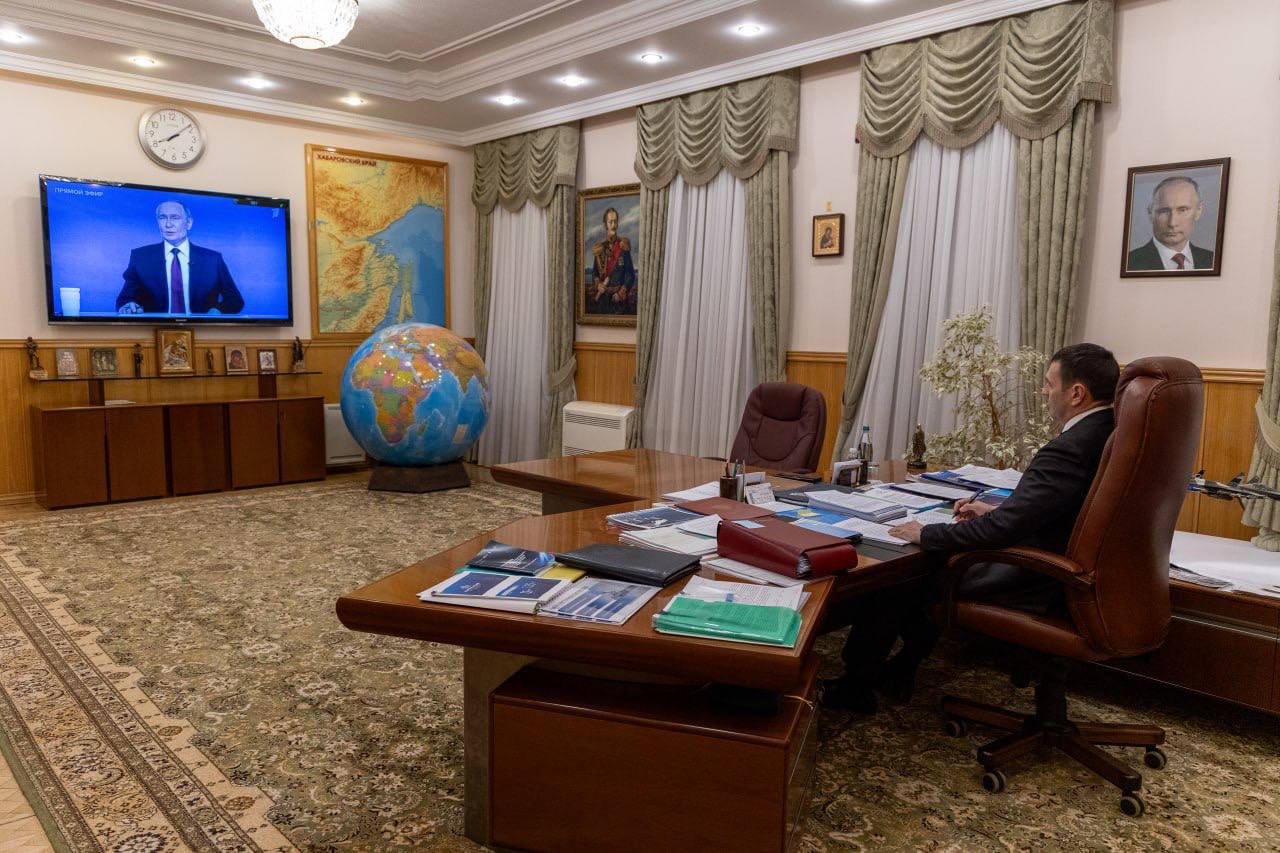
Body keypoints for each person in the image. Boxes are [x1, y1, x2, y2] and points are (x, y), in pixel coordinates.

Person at [822, 343, 1121, 713]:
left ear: (1077, 393)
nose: (1044, 392)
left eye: (1049, 383)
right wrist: (996, 509)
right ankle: (902, 667)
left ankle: (857, 685)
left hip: (1036, 578)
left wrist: (927, 533)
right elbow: (1061, 508)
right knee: (925, 571)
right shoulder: (1112, 434)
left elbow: (1002, 532)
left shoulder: (1071, 447)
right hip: (1077, 573)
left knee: (900, 576)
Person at [116, 200, 244, 315]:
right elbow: (124, 299)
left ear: (188, 223)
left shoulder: (212, 260)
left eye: (175, 218)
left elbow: (235, 300)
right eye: (162, 218)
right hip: (152, 328)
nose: (168, 224)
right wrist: (128, 306)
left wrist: (217, 311)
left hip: (202, 328)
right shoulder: (141, 257)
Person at [1126, 176, 1215, 272]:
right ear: (1150, 214)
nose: (1172, 223)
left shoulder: (1211, 260)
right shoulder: (1130, 263)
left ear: (1198, 211)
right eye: (1164, 211)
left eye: (1182, 210)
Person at [587, 207, 636, 315]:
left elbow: (630, 275)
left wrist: (621, 293)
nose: (613, 225)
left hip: (618, 301)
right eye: (610, 222)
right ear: (605, 225)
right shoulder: (600, 248)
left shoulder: (623, 246)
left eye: (615, 221)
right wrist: (598, 285)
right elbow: (595, 273)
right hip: (603, 300)